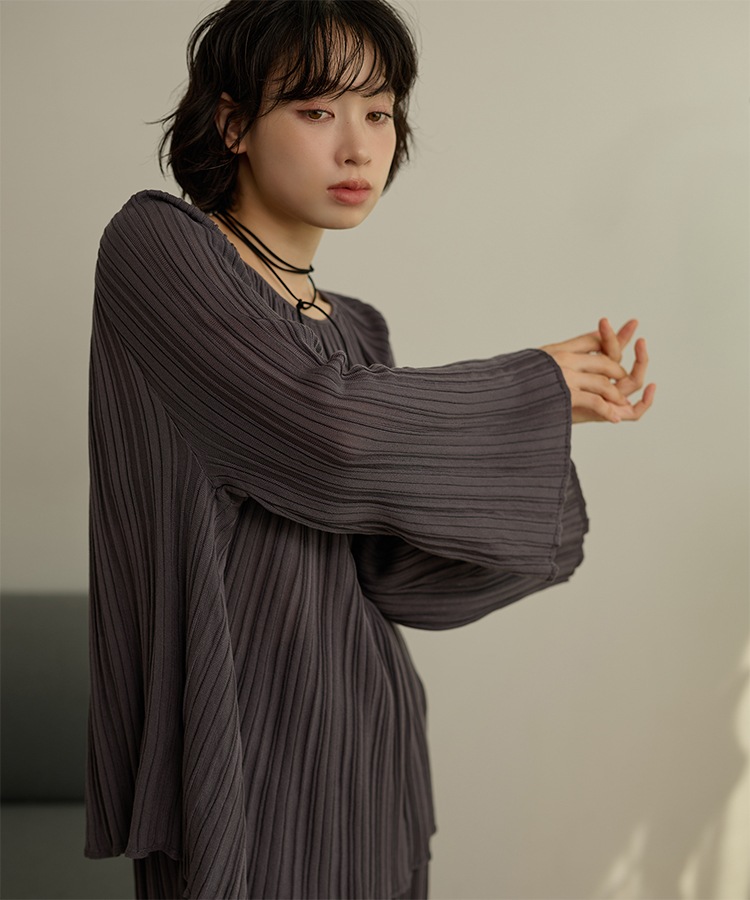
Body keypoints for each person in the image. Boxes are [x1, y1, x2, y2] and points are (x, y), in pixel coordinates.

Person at [84, 1, 655, 899]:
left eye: (380, 113)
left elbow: (392, 577)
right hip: (239, 750)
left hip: (367, 748)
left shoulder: (357, 328)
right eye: (317, 110)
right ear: (233, 124)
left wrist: (551, 425)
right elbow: (327, 436)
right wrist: (529, 391)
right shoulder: (157, 245)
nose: (359, 148)